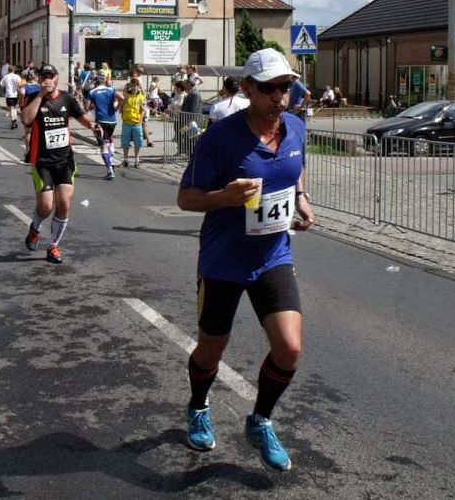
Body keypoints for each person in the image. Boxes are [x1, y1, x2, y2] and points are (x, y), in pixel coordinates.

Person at [176, 47, 315, 472]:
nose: (279, 96)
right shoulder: (220, 138)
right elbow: (185, 198)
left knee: (289, 348)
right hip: (223, 259)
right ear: (248, 89)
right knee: (211, 350)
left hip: (273, 254)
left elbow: (295, 167)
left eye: (285, 87)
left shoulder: (295, 127)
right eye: (270, 88)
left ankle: (260, 421)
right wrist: (223, 197)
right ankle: (199, 407)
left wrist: (301, 197)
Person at [21, 63, 97, 264]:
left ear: (57, 78)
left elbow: (82, 117)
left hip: (64, 161)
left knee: (63, 204)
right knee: (46, 206)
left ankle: (53, 246)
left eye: (51, 76)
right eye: (44, 76)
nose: (48, 79)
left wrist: (92, 125)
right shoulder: (33, 97)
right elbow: (26, 120)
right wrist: (40, 95)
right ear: (39, 79)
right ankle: (35, 228)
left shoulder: (67, 98)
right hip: (42, 161)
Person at [87, 74, 124, 180]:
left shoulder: (92, 92)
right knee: (109, 141)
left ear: (95, 82)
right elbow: (122, 98)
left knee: (103, 145)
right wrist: (117, 107)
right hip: (112, 121)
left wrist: (94, 105)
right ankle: (111, 162)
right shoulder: (111, 90)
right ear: (104, 81)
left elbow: (87, 107)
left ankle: (109, 170)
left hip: (100, 121)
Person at [120, 78, 146, 168]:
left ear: (138, 87)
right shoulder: (126, 96)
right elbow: (122, 93)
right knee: (125, 142)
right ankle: (125, 159)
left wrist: (140, 121)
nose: (134, 87)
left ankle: (136, 159)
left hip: (136, 123)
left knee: (138, 142)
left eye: (136, 86)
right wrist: (126, 86)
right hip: (126, 122)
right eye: (132, 85)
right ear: (130, 86)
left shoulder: (141, 97)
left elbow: (142, 110)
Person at [0, 65, 21, 129]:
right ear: (13, 70)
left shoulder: (5, 77)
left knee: (11, 108)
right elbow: (20, 85)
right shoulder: (17, 77)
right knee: (14, 108)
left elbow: (2, 85)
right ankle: (15, 121)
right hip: (15, 94)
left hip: (9, 94)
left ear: (8, 70)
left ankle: (13, 121)